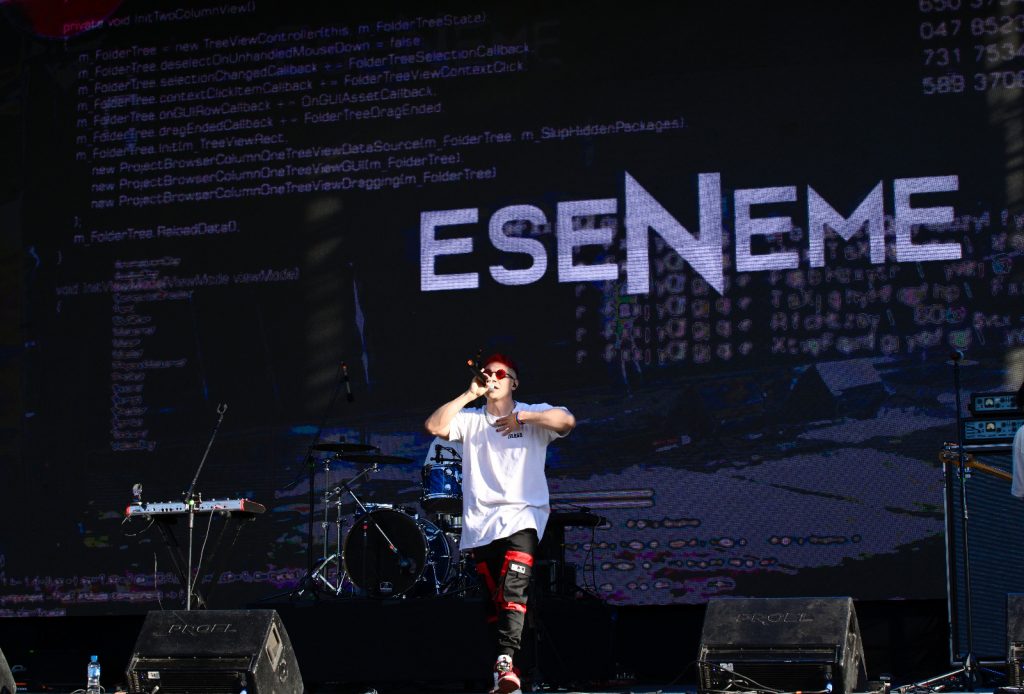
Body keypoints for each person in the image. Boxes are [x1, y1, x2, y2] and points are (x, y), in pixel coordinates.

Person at [425, 353, 575, 694]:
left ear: (514, 382)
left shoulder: (532, 414)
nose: (492, 377)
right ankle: (508, 673)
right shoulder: (472, 421)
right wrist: (469, 394)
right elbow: (434, 426)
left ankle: (506, 661)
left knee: (513, 589)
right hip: (481, 523)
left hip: (524, 517)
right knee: (496, 602)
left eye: (500, 374)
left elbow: (567, 420)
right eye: (487, 373)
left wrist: (523, 417)